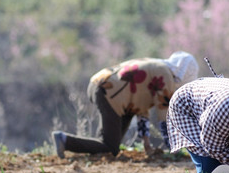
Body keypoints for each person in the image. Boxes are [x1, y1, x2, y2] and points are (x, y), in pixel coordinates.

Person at [53, 51, 199, 158]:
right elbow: (165, 115)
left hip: (104, 87)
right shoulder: (165, 73)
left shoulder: (156, 65)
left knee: (109, 145)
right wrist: (175, 149)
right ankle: (65, 140)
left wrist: (146, 143)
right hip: (108, 92)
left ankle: (88, 149)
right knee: (110, 147)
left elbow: (142, 109)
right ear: (183, 74)